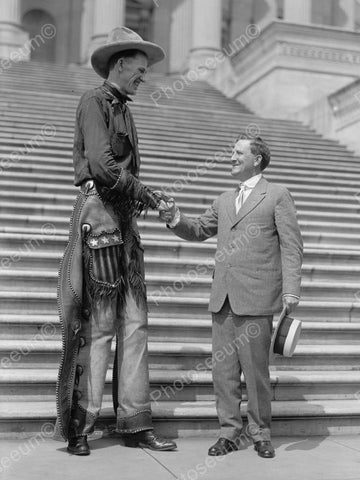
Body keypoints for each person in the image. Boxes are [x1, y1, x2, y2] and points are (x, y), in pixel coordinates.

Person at [56, 27, 177, 455]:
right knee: (101, 325)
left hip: (124, 223)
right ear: (120, 64)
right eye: (140, 70)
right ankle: (80, 428)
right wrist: (147, 194)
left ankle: (135, 422)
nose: (144, 77)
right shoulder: (94, 101)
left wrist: (144, 197)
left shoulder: (125, 109)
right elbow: (104, 167)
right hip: (101, 220)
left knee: (135, 324)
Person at [160, 135, 303, 458]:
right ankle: (228, 432)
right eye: (232, 152)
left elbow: (291, 245)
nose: (231, 157)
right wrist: (174, 216)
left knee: (255, 373)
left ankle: (260, 432)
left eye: (238, 153)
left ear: (257, 159)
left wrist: (291, 288)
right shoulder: (224, 199)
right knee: (223, 372)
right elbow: (197, 230)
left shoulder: (277, 195)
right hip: (223, 297)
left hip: (257, 296)